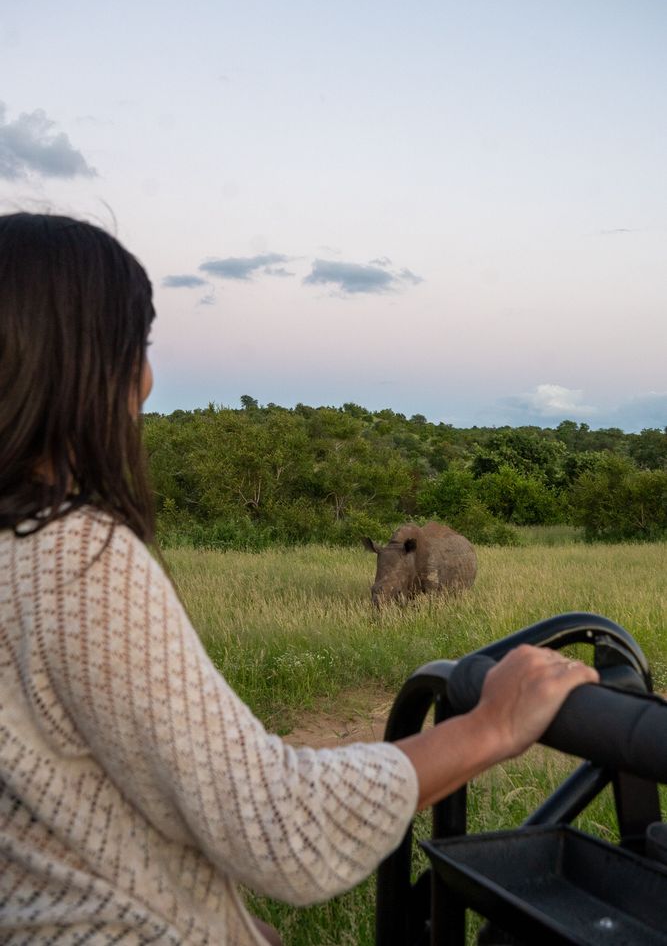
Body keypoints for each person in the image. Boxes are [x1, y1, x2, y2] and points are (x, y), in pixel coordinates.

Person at [0, 212, 598, 946]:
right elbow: (280, 828)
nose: (147, 379)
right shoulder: (75, 556)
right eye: (135, 345)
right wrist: (493, 725)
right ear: (76, 362)